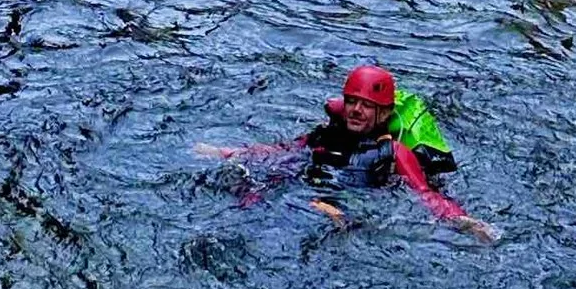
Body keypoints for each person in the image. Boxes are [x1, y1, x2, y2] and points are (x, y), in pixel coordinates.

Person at [195, 66, 497, 238]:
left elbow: (425, 194)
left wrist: (464, 221)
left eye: (367, 105)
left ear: (384, 113)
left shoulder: (393, 151)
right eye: (352, 102)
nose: (356, 110)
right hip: (303, 192)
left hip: (346, 207)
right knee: (245, 193)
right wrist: (226, 153)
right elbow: (281, 151)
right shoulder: (325, 134)